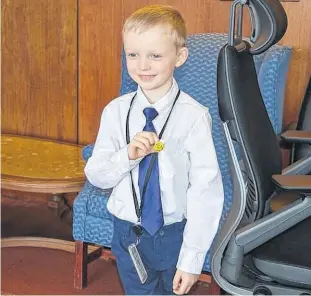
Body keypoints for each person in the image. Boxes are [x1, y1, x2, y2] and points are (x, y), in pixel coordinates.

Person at [85, 4, 224, 295]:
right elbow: (97, 175)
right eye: (133, 54)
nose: (142, 65)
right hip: (128, 233)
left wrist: (192, 259)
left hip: (174, 233)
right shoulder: (115, 112)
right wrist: (128, 156)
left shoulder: (194, 116)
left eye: (155, 55)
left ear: (180, 56)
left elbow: (205, 189)